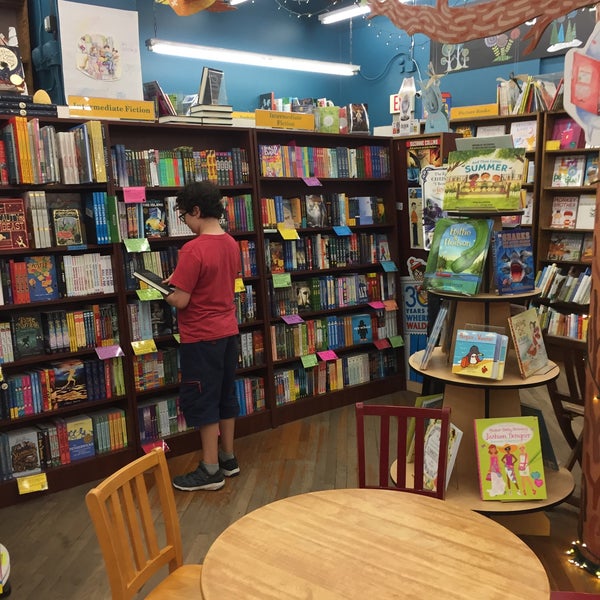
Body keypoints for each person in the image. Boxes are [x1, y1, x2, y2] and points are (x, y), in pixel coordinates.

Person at [164, 181, 242, 491]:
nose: (185, 222)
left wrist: (161, 290)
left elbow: (181, 300)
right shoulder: (231, 243)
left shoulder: (192, 249)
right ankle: (228, 459)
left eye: (184, 216)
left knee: (203, 397)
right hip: (227, 332)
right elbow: (217, 282)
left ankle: (210, 471)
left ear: (196, 210)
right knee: (225, 395)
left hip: (200, 336)